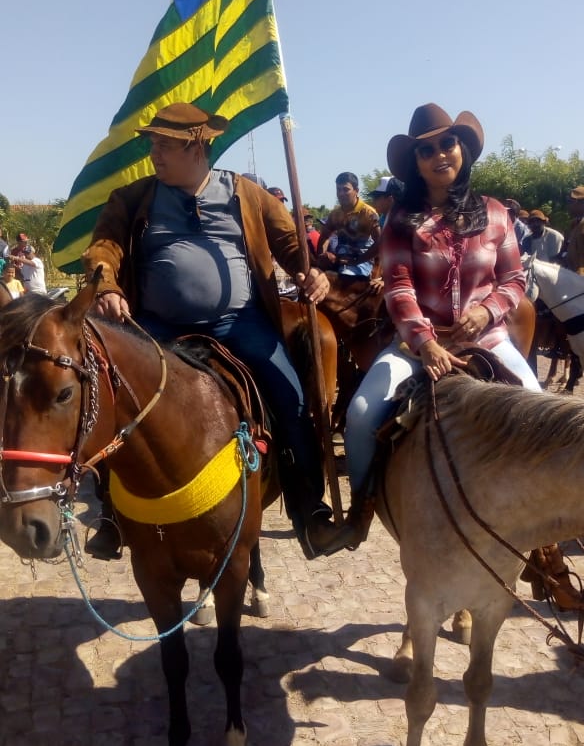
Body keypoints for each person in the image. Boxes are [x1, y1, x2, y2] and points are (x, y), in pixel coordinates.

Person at [82, 102, 338, 559]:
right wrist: (107, 283)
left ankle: (309, 512)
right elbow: (104, 247)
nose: (155, 154)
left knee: (294, 399)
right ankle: (110, 515)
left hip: (239, 322)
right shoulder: (134, 197)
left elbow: (290, 243)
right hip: (158, 326)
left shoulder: (247, 194)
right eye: (154, 144)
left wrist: (309, 270)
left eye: (165, 145)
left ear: (197, 146)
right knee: (112, 399)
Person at [315, 103, 542, 556]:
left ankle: (540, 536)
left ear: (463, 149)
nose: (440, 154)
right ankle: (360, 513)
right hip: (415, 344)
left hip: (489, 339)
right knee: (360, 415)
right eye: (426, 150)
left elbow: (514, 279)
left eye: (447, 143)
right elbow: (398, 288)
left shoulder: (497, 214)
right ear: (416, 163)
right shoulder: (400, 222)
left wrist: (489, 311)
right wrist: (427, 343)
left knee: (539, 411)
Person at [317, 173, 380, 277]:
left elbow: (380, 243)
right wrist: (322, 256)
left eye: (346, 189)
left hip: (362, 262)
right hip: (339, 260)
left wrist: (357, 261)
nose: (341, 193)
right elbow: (324, 236)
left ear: (356, 190)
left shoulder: (368, 213)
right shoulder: (335, 214)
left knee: (345, 276)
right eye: (338, 189)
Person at [564, 185, 584, 274]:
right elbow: (565, 251)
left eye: (571, 201)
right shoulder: (573, 225)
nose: (568, 205)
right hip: (571, 276)